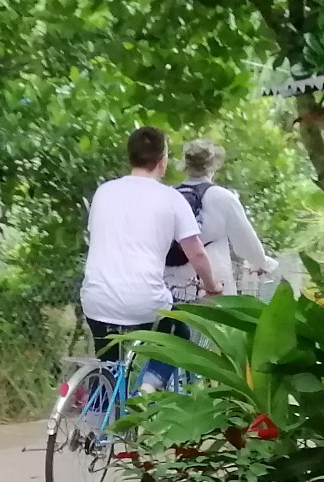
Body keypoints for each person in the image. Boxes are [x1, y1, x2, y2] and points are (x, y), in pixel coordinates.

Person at [80, 125, 221, 374]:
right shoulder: (171, 198)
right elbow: (196, 252)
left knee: (108, 364)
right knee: (178, 335)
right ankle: (148, 388)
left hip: (96, 299)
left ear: (130, 157)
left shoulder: (104, 192)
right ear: (162, 160)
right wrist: (212, 287)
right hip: (144, 302)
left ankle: (100, 393)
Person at [163, 139, 276, 305]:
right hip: (211, 286)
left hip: (168, 285)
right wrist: (263, 263)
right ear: (213, 165)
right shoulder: (223, 197)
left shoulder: (168, 195)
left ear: (185, 164)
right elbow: (245, 243)